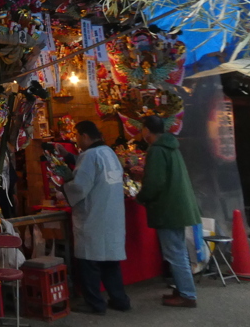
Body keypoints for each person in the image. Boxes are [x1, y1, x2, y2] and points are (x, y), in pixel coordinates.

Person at [62, 120, 130, 314]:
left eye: (77, 136)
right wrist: (68, 156)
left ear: (84, 136)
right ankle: (119, 299)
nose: (76, 141)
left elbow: (80, 186)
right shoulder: (109, 153)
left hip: (94, 215)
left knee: (89, 262)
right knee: (110, 261)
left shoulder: (89, 155)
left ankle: (95, 303)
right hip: (112, 215)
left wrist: (65, 187)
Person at [137, 115, 202, 308]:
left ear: (147, 130)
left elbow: (155, 182)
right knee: (178, 251)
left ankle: (187, 294)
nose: (142, 132)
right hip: (177, 206)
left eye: (142, 128)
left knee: (175, 253)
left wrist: (141, 197)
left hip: (168, 208)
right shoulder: (171, 147)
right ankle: (183, 289)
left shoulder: (157, 150)